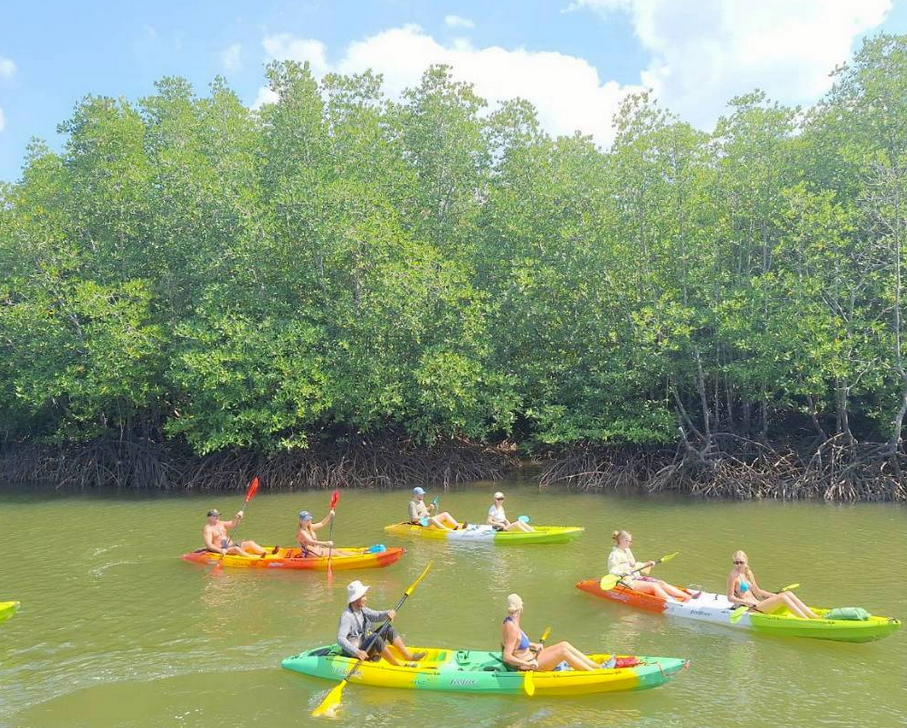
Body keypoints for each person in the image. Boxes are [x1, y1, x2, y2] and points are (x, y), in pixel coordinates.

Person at [501, 593, 601, 671]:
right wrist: (527, 664)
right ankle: (591, 672)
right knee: (563, 652)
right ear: (520, 608)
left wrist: (533, 645)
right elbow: (507, 656)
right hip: (530, 664)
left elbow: (517, 643)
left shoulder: (511, 621)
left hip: (532, 657)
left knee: (564, 644)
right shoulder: (512, 628)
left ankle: (597, 667)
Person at [337, 580, 426, 666]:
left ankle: (408, 656)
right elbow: (340, 639)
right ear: (356, 599)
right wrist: (356, 652)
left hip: (366, 647)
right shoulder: (347, 616)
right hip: (356, 654)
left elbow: (377, 615)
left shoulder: (362, 610)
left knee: (387, 628)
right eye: (363, 596)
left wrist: (388, 613)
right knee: (374, 637)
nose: (366, 598)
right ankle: (396, 665)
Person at [727, 550, 819, 619]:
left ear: (746, 562)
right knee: (783, 598)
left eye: (741, 562)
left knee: (788, 593)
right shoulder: (733, 576)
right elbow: (730, 598)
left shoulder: (748, 573)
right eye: (735, 563)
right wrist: (746, 602)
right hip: (749, 608)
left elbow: (758, 591)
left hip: (757, 603)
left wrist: (773, 595)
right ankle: (805, 620)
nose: (738, 565)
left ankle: (813, 616)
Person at [608, 530, 691, 601]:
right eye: (629, 541)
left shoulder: (627, 551)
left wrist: (647, 564)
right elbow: (612, 571)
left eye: (630, 541)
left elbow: (634, 566)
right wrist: (623, 573)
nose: (630, 543)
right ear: (622, 541)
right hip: (626, 581)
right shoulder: (614, 554)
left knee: (660, 583)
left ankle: (688, 597)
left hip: (636, 577)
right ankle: (674, 603)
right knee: (654, 586)